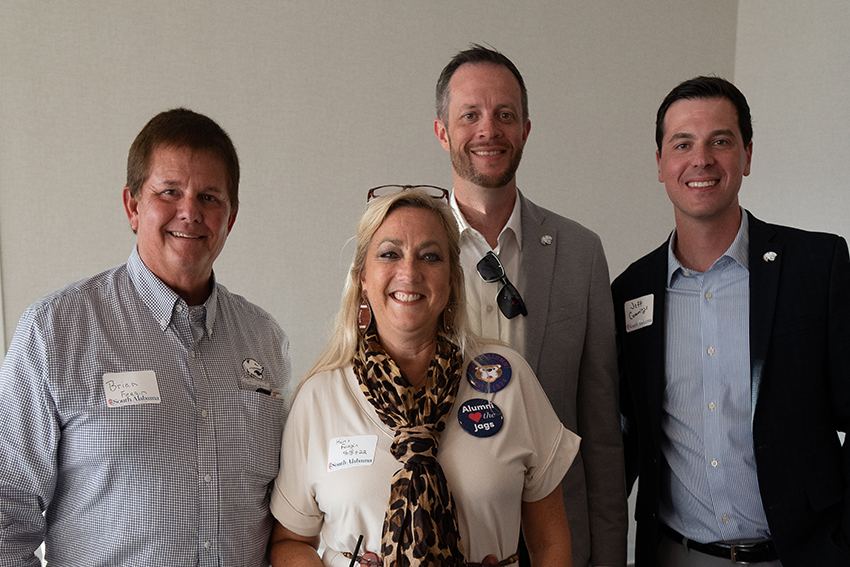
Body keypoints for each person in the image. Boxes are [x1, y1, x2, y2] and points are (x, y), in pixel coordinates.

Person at [0, 108, 291, 566]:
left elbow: (286, 516)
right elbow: (5, 518)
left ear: (230, 218)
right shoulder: (54, 332)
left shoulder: (264, 340)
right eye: (169, 192)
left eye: (210, 197)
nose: (190, 212)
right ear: (133, 206)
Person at [268, 187, 579, 566]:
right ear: (362, 276)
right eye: (389, 254)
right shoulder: (319, 397)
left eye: (430, 256)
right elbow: (289, 542)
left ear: (451, 280)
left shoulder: (507, 380)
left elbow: (551, 543)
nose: (409, 272)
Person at [613, 76, 850, 566]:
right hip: (677, 555)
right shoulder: (630, 292)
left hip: (804, 554)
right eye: (683, 144)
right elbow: (623, 437)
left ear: (746, 155)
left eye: (720, 141)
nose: (701, 159)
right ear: (660, 164)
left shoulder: (816, 264)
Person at [433, 45, 627, 567]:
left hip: (560, 543)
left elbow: (601, 430)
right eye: (470, 115)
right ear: (442, 132)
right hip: (442, 539)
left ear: (526, 130)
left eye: (505, 115)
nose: (488, 130)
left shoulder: (580, 252)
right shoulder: (401, 254)